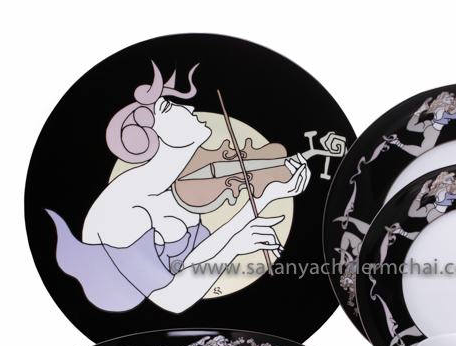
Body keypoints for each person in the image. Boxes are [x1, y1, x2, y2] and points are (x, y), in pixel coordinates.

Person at [47, 62, 311, 314]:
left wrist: (269, 196)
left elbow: (195, 260)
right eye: (168, 106)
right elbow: (173, 300)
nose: (191, 106)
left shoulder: (172, 197)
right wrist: (235, 246)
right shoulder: (126, 206)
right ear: (147, 130)